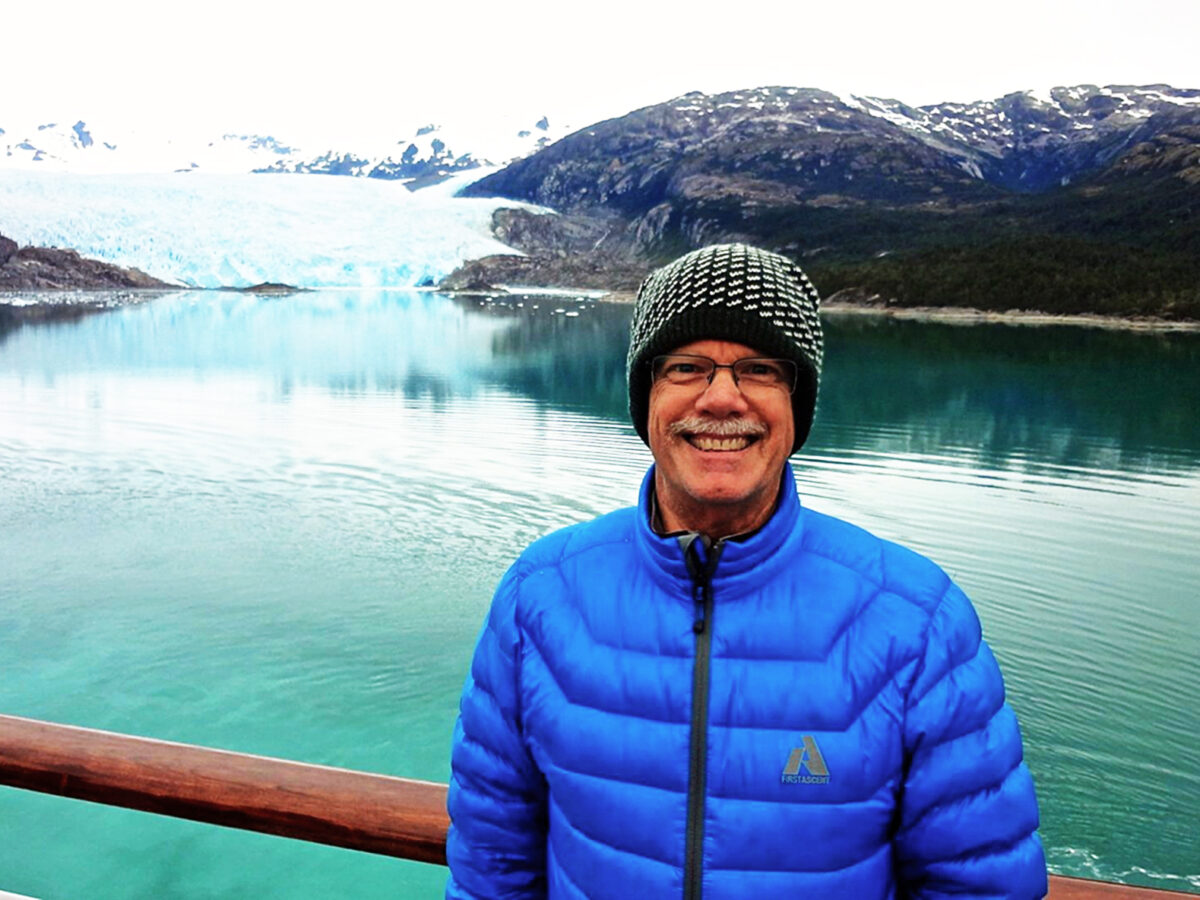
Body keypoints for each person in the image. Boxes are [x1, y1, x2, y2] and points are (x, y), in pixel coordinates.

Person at [446, 243, 1047, 898]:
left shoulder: (916, 621)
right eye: (686, 367)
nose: (723, 398)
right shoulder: (542, 596)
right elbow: (492, 859)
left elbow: (981, 885)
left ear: (799, 405)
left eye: (758, 368)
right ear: (646, 398)